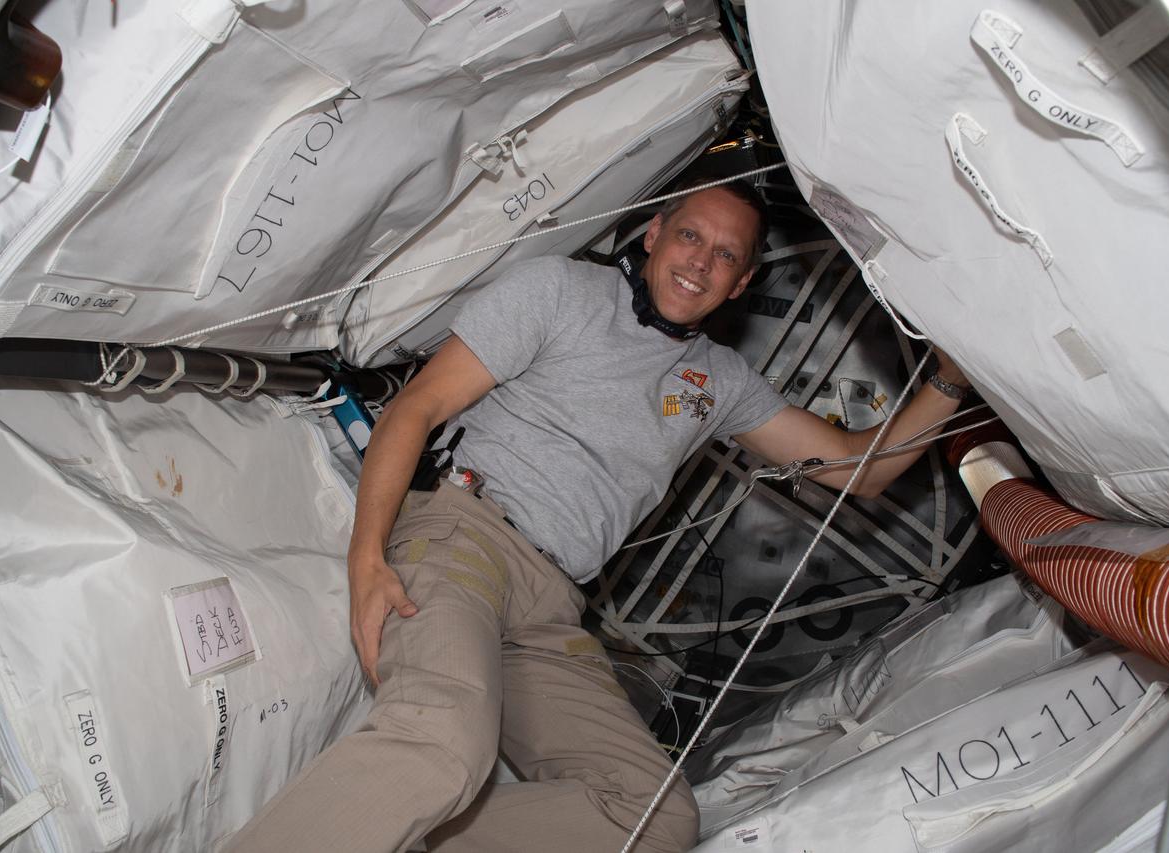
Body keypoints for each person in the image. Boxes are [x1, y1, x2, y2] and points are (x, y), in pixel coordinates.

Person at [227, 180, 970, 852]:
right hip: (468, 537)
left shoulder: (722, 380)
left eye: (724, 255)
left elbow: (855, 470)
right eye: (689, 236)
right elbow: (416, 408)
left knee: (652, 818)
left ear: (742, 282)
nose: (700, 262)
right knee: (445, 743)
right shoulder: (559, 291)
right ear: (653, 233)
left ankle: (391, 830)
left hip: (555, 607)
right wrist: (367, 559)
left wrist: (947, 376)